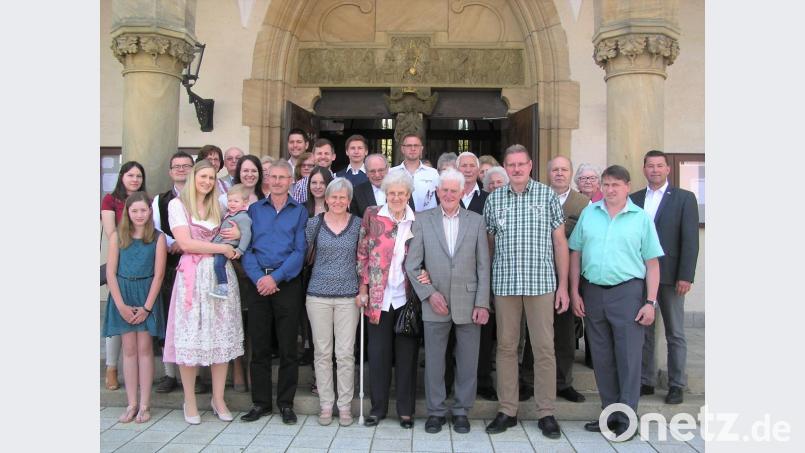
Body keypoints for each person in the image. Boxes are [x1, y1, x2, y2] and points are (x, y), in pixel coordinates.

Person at [569, 164, 663, 439]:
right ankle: (609, 413)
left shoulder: (641, 218)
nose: (610, 190)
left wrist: (651, 301)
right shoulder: (590, 213)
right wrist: (575, 292)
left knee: (628, 357)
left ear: (627, 186)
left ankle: (627, 418)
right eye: (606, 184)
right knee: (601, 357)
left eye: (616, 185)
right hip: (594, 292)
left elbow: (652, 263)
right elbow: (575, 252)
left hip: (628, 293)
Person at [482, 144, 569, 438]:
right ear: (505, 168)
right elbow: (489, 246)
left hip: (541, 284)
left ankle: (546, 413)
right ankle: (508, 410)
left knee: (544, 348)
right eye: (511, 164)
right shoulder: (494, 200)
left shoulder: (547, 196)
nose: (516, 169)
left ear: (530, 166)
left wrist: (564, 287)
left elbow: (560, 243)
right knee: (506, 348)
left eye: (521, 164)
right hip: (505, 285)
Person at [405, 168, 491, 435]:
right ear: (437, 192)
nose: (450, 194)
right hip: (436, 302)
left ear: (463, 192)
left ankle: (462, 410)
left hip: (469, 301)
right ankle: (436, 411)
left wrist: (482, 303)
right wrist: (429, 292)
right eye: (445, 190)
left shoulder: (476, 221)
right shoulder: (422, 220)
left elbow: (483, 266)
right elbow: (412, 264)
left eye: (455, 190)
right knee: (434, 361)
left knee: (467, 361)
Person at [164, 159, 245, 425]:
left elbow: (236, 228)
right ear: (193, 177)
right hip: (192, 278)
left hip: (219, 278)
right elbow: (186, 243)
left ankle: (218, 398)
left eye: (212, 178)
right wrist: (222, 249)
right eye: (204, 177)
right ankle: (189, 399)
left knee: (219, 337)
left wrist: (235, 238)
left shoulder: (218, 205)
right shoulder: (178, 205)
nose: (208, 182)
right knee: (191, 338)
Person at [241, 160, 308, 425]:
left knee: (289, 347)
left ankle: (285, 404)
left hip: (287, 283)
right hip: (258, 283)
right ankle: (260, 403)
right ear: (267, 180)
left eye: (283, 177)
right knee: (259, 346)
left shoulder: (300, 211)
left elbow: (300, 250)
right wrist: (260, 278)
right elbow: (247, 249)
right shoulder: (254, 210)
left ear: (291, 180)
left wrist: (276, 278)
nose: (278, 182)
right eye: (274, 177)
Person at [521, 156, 590, 403]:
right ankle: (528, 380)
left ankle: (563, 382)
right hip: (537, 273)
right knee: (534, 331)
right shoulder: (535, 196)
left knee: (564, 332)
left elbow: (583, 241)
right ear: (548, 173)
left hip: (567, 273)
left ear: (571, 173)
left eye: (564, 170)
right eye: (555, 170)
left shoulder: (583, 203)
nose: (559, 174)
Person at [632, 150, 699, 404]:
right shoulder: (635, 198)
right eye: (650, 166)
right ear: (644, 169)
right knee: (644, 329)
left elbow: (690, 240)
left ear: (668, 169)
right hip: (640, 274)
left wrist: (686, 275)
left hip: (671, 276)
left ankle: (676, 384)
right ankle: (646, 380)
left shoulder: (684, 198)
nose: (655, 170)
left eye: (660, 166)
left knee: (675, 331)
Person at [356, 171, 419, 428]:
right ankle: (378, 409)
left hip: (406, 297)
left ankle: (405, 411)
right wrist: (363, 288)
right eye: (391, 193)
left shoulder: (417, 221)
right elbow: (362, 253)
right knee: (379, 354)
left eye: (401, 193)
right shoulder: (372, 215)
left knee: (406, 355)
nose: (396, 197)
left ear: (408, 196)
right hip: (378, 297)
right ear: (385, 194)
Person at [103, 191, 167, 424]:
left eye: (143, 210)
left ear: (150, 212)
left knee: (144, 349)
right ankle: (131, 403)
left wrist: (147, 307)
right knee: (128, 349)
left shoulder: (158, 238)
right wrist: (120, 305)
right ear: (127, 213)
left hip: (146, 295)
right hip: (123, 294)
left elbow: (159, 275)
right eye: (134, 211)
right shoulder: (117, 237)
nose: (139, 215)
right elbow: (110, 272)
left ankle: (145, 404)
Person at [305, 178, 362, 426]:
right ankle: (326, 404)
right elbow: (303, 254)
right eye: (333, 197)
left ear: (349, 201)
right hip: (317, 295)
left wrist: (364, 289)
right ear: (326, 199)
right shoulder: (313, 224)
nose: (338, 201)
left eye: (343, 197)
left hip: (349, 297)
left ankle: (345, 405)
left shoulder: (359, 225)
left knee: (345, 354)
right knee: (322, 353)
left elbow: (364, 261)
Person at [152, 151, 208, 394]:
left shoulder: (204, 198)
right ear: (170, 171)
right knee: (170, 318)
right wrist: (174, 241)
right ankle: (168, 374)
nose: (182, 170)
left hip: (195, 262)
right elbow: (155, 229)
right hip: (169, 260)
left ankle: (194, 375)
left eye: (187, 166)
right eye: (177, 166)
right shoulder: (160, 200)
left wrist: (186, 242)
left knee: (194, 321)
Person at [101, 160, 147, 391]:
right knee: (118, 314)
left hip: (143, 260)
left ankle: (138, 370)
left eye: (139, 176)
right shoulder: (111, 200)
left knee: (140, 319)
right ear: (122, 176)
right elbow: (111, 232)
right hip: (121, 257)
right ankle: (111, 367)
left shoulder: (145, 201)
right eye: (131, 175)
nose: (135, 179)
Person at [456, 152, 495, 401]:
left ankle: (483, 380)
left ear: (479, 171)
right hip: (452, 276)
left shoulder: (490, 199)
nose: (468, 169)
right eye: (464, 166)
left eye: (472, 166)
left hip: (482, 272)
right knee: (453, 334)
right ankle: (452, 380)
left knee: (483, 328)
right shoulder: (447, 196)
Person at [210, 184, 253, 299]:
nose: (232, 204)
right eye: (230, 201)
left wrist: (240, 250)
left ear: (245, 202)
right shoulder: (229, 214)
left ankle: (223, 287)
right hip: (221, 244)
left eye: (236, 201)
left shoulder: (243, 217)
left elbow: (246, 234)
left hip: (229, 246)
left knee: (218, 264)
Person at [390, 133, 439, 212]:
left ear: (421, 149)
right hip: (400, 220)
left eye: (416, 145)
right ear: (402, 149)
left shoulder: (433, 174)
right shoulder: (392, 173)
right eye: (409, 146)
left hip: (427, 221)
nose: (413, 149)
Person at [292, 139, 336, 203]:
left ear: (333, 157)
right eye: (319, 153)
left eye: (326, 153)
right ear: (313, 156)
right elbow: (295, 211)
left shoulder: (339, 184)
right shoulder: (301, 185)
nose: (323, 157)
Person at [350, 153, 389, 217]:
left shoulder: (399, 189)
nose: (377, 175)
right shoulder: (357, 192)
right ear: (366, 172)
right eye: (372, 171)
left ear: (387, 169)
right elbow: (354, 219)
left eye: (381, 170)